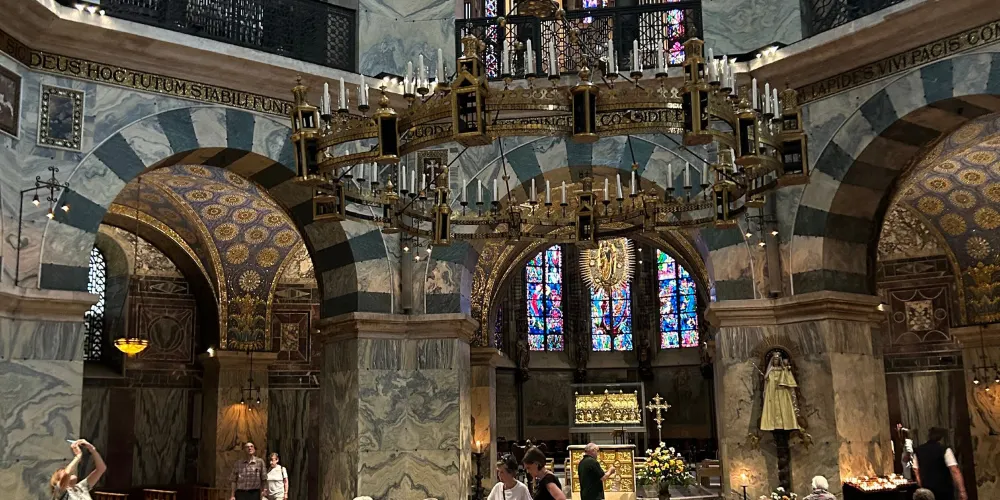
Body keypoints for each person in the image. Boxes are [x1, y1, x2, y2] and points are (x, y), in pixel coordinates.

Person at [913, 427, 967, 500]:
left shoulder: (918, 450)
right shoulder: (945, 450)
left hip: (927, 491)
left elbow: (916, 470)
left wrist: (921, 486)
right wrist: (962, 490)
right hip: (944, 490)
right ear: (942, 438)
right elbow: (954, 470)